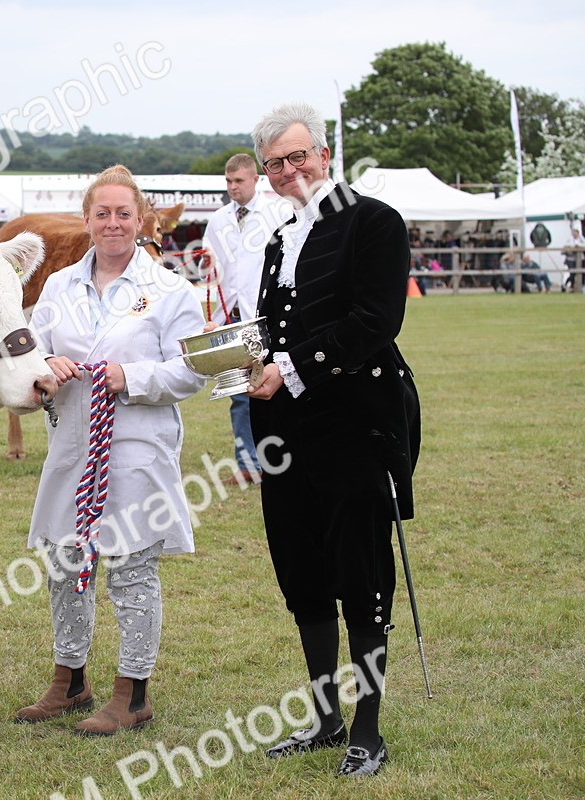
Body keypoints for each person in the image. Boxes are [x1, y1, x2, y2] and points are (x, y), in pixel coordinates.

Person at [246, 102, 421, 777]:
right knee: (304, 572)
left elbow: (376, 319)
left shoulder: (373, 221)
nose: (288, 171)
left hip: (355, 424)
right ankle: (325, 719)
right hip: (286, 430)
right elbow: (273, 328)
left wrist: (289, 368)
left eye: (298, 156)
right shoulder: (278, 239)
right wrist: (240, 358)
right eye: (274, 164)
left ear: (324, 155)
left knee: (361, 574)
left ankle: (367, 732)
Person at [15, 165, 207, 736]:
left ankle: (133, 692)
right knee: (65, 563)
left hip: (137, 449)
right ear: (87, 219)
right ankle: (70, 679)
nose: (114, 223)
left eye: (124, 213)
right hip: (72, 446)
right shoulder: (57, 287)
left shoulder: (171, 290)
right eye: (103, 213)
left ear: (141, 219)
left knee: (130, 569)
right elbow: (33, 351)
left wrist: (131, 376)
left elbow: (191, 371)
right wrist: (46, 365)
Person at [200, 153, 275, 485]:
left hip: (266, 314)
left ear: (255, 179)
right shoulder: (218, 219)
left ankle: (281, 457)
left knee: (275, 385)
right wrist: (204, 263)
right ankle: (248, 464)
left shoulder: (277, 212)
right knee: (240, 393)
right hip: (232, 315)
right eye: (228, 181)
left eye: (239, 181)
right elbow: (209, 261)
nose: (232, 187)